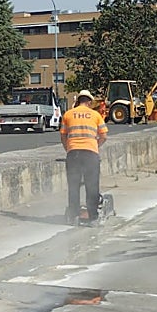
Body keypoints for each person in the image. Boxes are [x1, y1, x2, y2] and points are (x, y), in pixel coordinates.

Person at [60, 89, 108, 226]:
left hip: (73, 154)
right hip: (90, 154)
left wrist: (68, 149)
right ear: (90, 101)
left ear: (78, 101)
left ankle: (74, 216)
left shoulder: (68, 115)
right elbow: (104, 136)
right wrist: (95, 146)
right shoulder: (96, 115)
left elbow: (63, 135)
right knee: (92, 186)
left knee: (73, 186)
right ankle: (93, 218)